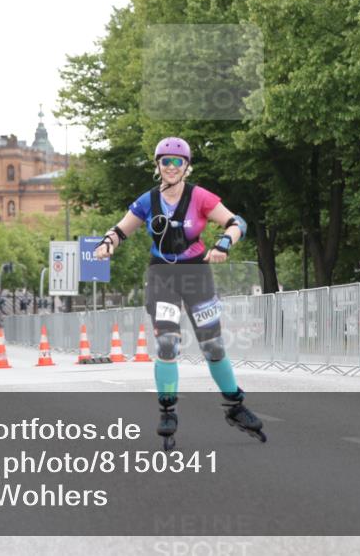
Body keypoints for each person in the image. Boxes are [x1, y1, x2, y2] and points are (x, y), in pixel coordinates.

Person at [93, 137, 266, 450]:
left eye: (178, 162)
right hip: (163, 277)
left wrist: (224, 243)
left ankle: (235, 405)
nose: (171, 167)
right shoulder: (147, 200)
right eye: (166, 161)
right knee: (167, 343)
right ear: (157, 165)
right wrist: (106, 244)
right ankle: (167, 411)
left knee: (212, 345)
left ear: (187, 166)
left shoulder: (199, 196)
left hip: (196, 276)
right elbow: (119, 231)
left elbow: (236, 222)